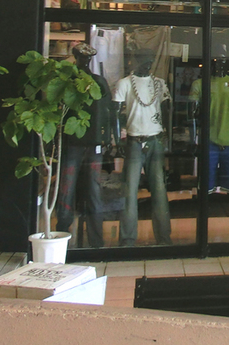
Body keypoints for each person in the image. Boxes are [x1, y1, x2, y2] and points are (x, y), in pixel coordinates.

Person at [56, 43, 113, 248]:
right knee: (67, 189)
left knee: (90, 191)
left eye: (87, 58)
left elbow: (108, 112)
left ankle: (95, 241)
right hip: (73, 142)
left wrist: (108, 138)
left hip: (91, 142)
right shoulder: (67, 81)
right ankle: (62, 238)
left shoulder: (98, 82)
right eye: (82, 57)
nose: (85, 61)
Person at [114, 50, 172, 246]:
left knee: (159, 190)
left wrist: (168, 138)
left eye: (150, 60)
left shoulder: (159, 84)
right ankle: (127, 239)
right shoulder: (124, 83)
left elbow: (167, 111)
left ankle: (163, 238)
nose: (147, 64)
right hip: (134, 140)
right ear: (135, 60)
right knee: (129, 191)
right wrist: (118, 140)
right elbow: (115, 115)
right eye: (144, 60)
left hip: (155, 139)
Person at [190, 54, 229, 194]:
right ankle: (204, 208)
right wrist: (193, 141)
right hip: (208, 142)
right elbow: (192, 116)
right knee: (206, 189)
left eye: (223, 59)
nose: (219, 63)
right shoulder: (199, 84)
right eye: (215, 59)